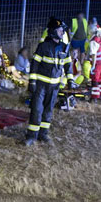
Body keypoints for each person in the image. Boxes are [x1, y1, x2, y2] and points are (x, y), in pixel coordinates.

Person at [21, 17, 70, 146]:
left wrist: (70, 80)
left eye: (63, 30)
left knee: (48, 111)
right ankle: (31, 136)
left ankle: (43, 134)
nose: (62, 33)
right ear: (53, 31)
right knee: (37, 110)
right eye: (60, 30)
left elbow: (67, 65)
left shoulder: (64, 48)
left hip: (54, 87)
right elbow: (35, 64)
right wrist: (32, 82)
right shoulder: (43, 46)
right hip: (41, 86)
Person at [86, 24, 101, 102]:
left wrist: (93, 66)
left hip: (98, 63)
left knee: (95, 80)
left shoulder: (94, 40)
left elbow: (93, 54)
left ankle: (94, 98)